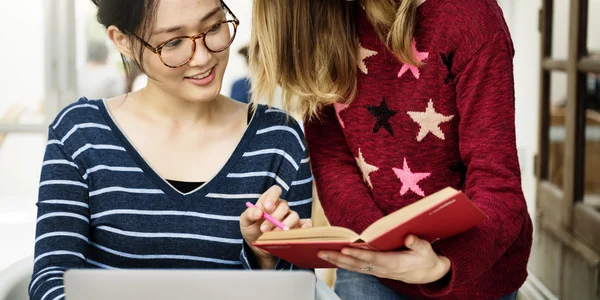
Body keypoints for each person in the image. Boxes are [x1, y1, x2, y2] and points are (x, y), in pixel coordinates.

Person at [28, 1, 314, 300]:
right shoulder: (81, 133)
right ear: (122, 41)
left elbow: (300, 290)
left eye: (214, 27)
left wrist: (265, 258)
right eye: (174, 42)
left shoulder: (278, 139)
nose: (203, 57)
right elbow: (51, 278)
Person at [249, 0, 533, 299]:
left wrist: (441, 265)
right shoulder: (323, 21)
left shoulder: (470, 18)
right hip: (372, 265)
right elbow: (333, 160)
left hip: (474, 270)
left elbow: (497, 184)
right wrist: (380, 247)